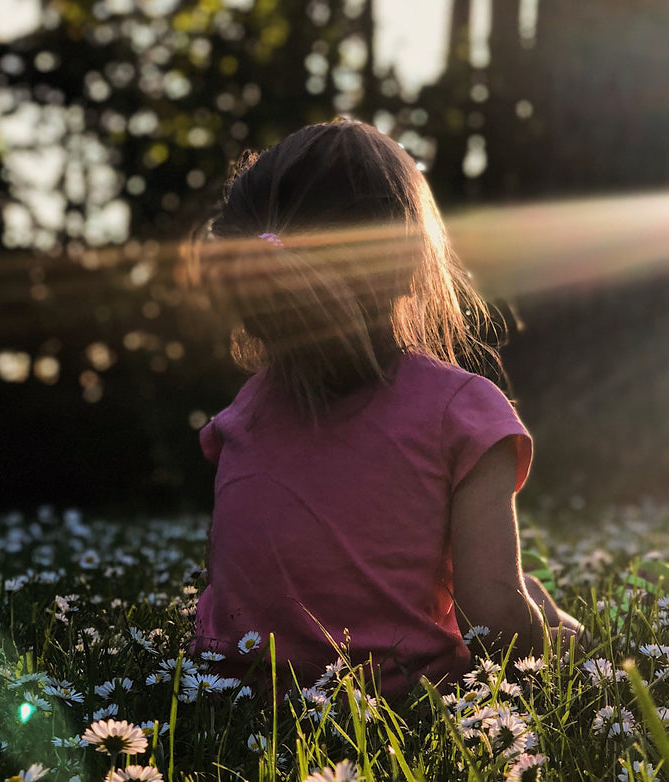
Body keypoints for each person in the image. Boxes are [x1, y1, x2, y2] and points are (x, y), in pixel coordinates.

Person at [189, 119, 583, 699]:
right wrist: (558, 643)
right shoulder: (462, 412)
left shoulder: (243, 415)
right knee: (530, 601)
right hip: (400, 702)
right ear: (406, 264)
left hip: (237, 696)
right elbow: (495, 624)